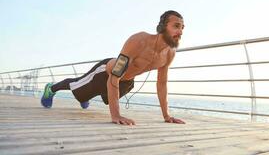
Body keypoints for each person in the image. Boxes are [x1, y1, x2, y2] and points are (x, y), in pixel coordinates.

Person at [41, 10, 185, 125]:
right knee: (77, 87)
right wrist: (115, 115)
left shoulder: (169, 54)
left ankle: (87, 94)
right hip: (104, 73)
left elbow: (161, 84)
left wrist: (167, 116)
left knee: (104, 98)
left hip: (126, 82)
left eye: (182, 27)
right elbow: (116, 74)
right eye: (176, 26)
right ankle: (51, 88)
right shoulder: (139, 41)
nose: (181, 32)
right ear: (162, 27)